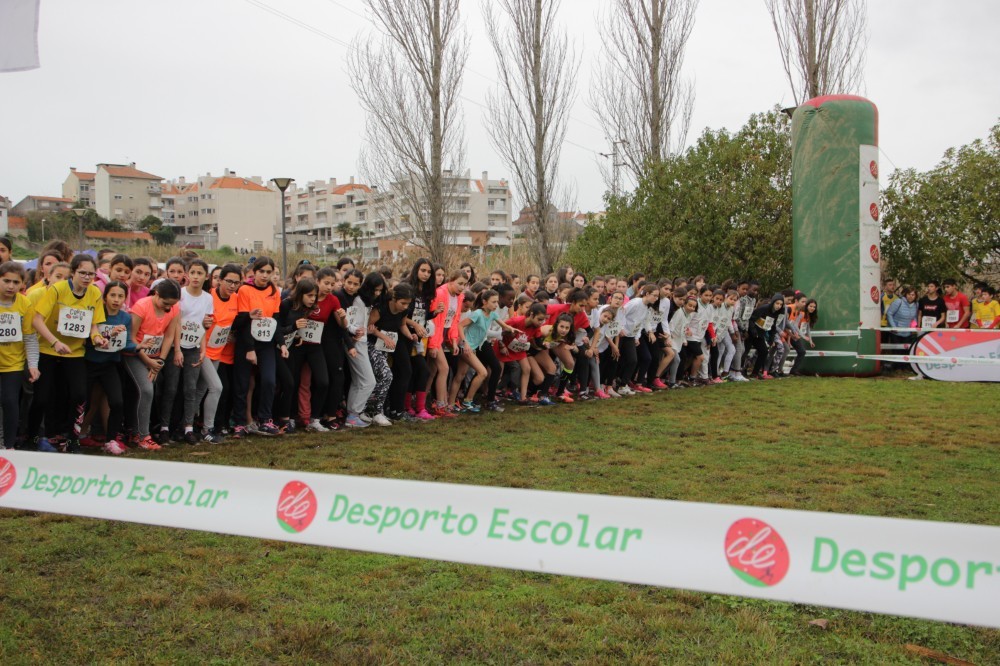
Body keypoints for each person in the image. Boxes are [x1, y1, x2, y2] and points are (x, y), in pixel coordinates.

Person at [31, 254, 107, 453]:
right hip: (48, 349)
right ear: (73, 272)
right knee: (42, 397)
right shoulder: (58, 289)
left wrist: (98, 338)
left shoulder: (94, 293)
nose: (87, 277)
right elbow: (37, 320)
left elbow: (94, 325)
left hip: (74, 353)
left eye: (91, 274)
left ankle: (73, 439)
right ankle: (32, 437)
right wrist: (54, 342)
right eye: (82, 273)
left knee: (80, 395)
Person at [124, 279, 181, 451]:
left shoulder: (173, 308)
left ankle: (135, 431)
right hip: (134, 354)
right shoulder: (141, 307)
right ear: (156, 294)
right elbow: (131, 338)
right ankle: (143, 436)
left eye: (171, 305)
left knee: (145, 393)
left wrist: (160, 361)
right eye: (165, 303)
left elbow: (169, 336)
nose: (167, 308)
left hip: (155, 357)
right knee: (147, 390)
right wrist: (148, 361)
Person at [230, 257, 284, 438]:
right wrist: (249, 348)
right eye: (262, 271)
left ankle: (265, 419)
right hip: (247, 342)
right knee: (242, 384)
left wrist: (282, 343)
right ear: (255, 272)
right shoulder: (245, 290)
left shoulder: (273, 291)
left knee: (269, 380)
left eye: (269, 272)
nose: (265, 275)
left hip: (266, 343)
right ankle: (239, 423)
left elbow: (275, 320)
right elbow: (243, 322)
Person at [174, 259, 222, 445]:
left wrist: (203, 349)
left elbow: (203, 325)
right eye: (192, 272)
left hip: (197, 348)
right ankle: (176, 427)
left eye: (199, 273)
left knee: (199, 388)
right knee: (176, 389)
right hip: (177, 347)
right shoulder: (180, 294)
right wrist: (177, 348)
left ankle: (197, 428)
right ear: (187, 274)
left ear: (206, 276)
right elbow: (175, 322)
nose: (195, 276)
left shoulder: (208, 298)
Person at [84, 281, 133, 455]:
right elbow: (87, 341)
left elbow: (126, 344)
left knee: (117, 402)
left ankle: (110, 440)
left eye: (120, 296)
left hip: (110, 364)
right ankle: (74, 437)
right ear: (104, 297)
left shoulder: (126, 318)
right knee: (83, 402)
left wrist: (140, 346)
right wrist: (107, 335)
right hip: (89, 363)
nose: (116, 299)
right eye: (112, 295)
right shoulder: (97, 314)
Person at [0, 262, 39, 450]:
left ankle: (8, 446)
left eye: (15, 282)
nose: (10, 286)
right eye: (6, 281)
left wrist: (33, 364)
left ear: (22, 284)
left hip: (12, 364)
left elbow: (30, 338)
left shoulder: (25, 304)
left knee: (10, 401)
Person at [203, 264, 242, 440]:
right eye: (229, 281)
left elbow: (235, 322)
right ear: (219, 280)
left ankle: (196, 427)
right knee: (216, 387)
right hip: (201, 350)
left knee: (202, 389)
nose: (232, 286)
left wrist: (231, 334)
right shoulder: (208, 297)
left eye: (236, 283)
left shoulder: (235, 298)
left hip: (219, 352)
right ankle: (206, 428)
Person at [341, 271, 384, 428]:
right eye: (375, 290)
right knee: (368, 381)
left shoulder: (366, 301)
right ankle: (353, 414)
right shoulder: (359, 301)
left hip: (361, 341)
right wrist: (355, 332)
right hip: (357, 343)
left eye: (380, 290)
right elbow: (349, 322)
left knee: (359, 381)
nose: (377, 293)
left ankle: (353, 414)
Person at [368, 283, 414, 425]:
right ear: (394, 299)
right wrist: (383, 337)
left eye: (408, 304)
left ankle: (395, 409)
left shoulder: (404, 310)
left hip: (393, 340)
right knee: (385, 374)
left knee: (405, 370)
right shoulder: (380, 308)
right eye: (403, 303)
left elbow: (402, 324)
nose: (405, 307)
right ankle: (374, 410)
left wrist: (411, 336)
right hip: (375, 342)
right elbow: (369, 327)